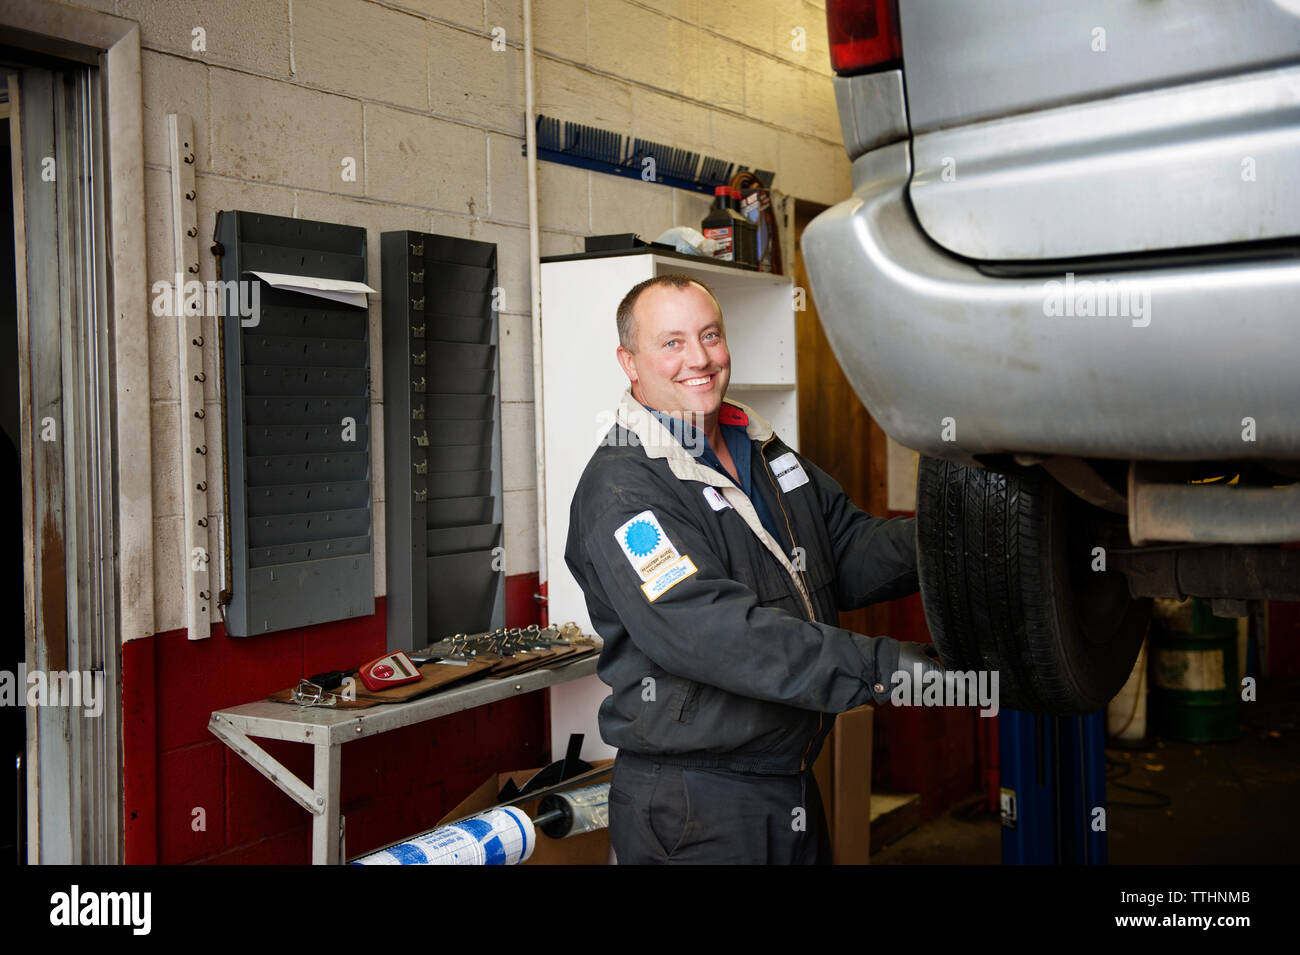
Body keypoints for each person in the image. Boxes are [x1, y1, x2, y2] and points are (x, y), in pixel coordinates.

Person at [564, 273, 943, 864]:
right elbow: (715, 634)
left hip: (783, 778)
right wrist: (884, 667)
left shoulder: (759, 447)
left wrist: (957, 543)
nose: (700, 359)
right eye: (672, 343)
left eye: (709, 335)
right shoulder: (624, 490)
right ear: (629, 362)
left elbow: (843, 551)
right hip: (697, 805)